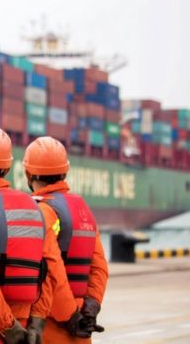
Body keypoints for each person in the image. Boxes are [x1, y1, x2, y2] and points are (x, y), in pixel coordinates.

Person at [0, 126, 80, 344]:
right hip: (28, 328)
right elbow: (50, 268)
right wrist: (37, 320)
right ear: (8, 167)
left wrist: (8, 326)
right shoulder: (34, 208)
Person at [23, 136, 108, 343]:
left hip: (51, 326)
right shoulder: (82, 210)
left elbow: (52, 270)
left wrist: (70, 316)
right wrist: (90, 308)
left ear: (28, 173)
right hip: (82, 327)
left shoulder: (41, 211)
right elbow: (99, 267)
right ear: (65, 171)